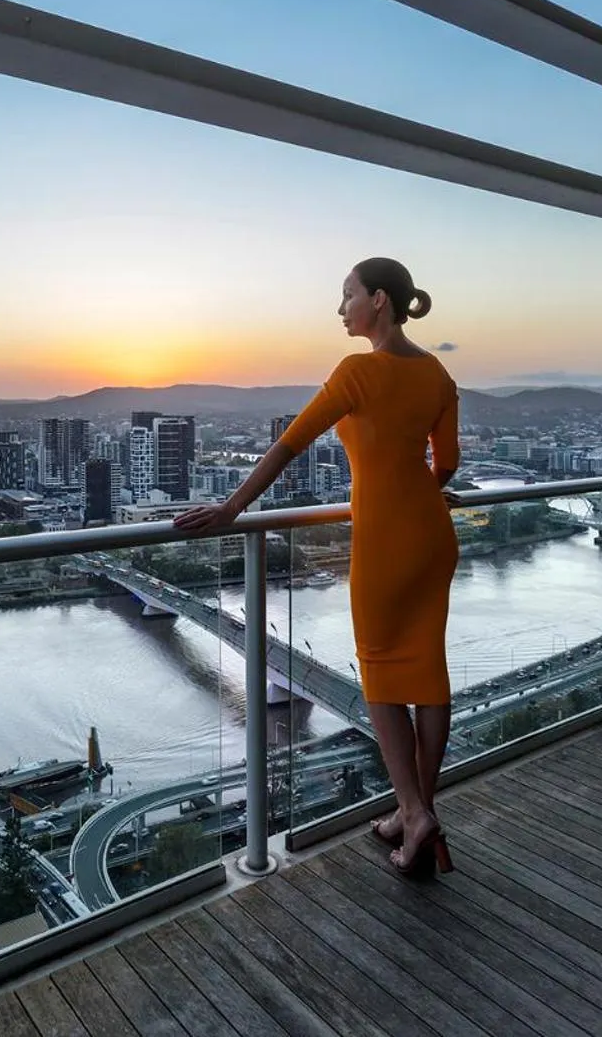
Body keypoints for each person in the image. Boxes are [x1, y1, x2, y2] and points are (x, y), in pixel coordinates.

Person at [174, 257, 459, 876]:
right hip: (433, 536)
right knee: (428, 676)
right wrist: (424, 491)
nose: (341, 309)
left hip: (384, 541)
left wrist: (231, 508)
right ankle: (415, 814)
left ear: (378, 300)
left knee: (382, 678)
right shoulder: (438, 373)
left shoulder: (358, 370)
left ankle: (414, 813)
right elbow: (447, 463)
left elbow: (288, 443)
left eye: (347, 295)